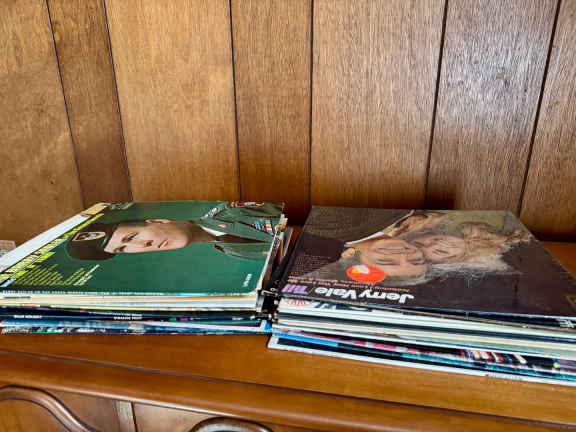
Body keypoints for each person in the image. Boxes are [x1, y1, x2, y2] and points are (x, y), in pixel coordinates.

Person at [66, 201, 283, 261]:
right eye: (123, 249)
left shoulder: (232, 211)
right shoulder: (231, 251)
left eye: (131, 236)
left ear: (158, 221)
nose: (143, 245)